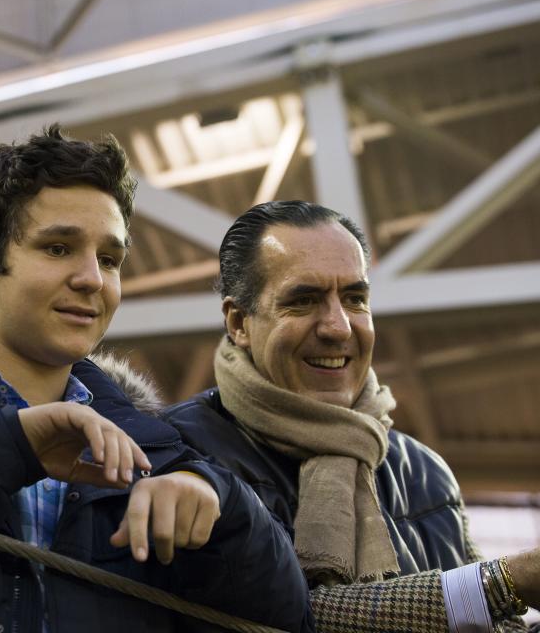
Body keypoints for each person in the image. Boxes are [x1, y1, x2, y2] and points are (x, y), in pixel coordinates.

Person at [0, 126, 314, 632]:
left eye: (110, 259)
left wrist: (221, 500)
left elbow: (292, 618)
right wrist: (5, 446)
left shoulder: (160, 456)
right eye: (57, 248)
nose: (92, 278)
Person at [162, 200, 540, 633]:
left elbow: (498, 628)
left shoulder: (424, 470)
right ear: (239, 323)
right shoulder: (180, 452)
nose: (339, 327)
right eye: (303, 301)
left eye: (355, 298)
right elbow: (280, 617)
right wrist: (504, 581)